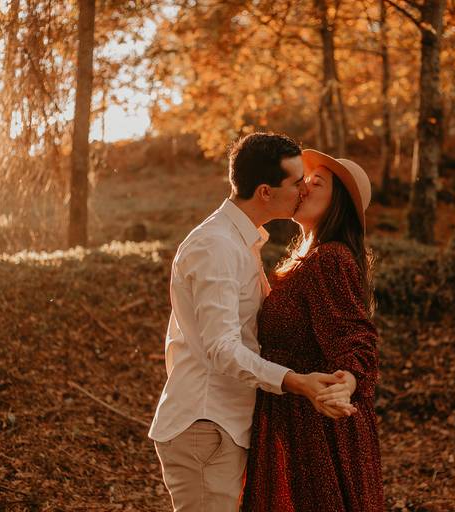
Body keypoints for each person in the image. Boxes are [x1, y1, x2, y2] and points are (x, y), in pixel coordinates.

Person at [148, 133, 357, 512]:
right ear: (265, 191)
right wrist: (296, 382)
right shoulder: (216, 246)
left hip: (224, 425)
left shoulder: (242, 242)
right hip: (206, 424)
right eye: (296, 182)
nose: (303, 190)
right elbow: (222, 349)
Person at [242, 149, 383, 511]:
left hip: (317, 428)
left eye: (316, 182)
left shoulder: (330, 260)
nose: (303, 187)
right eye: (304, 180)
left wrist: (348, 382)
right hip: (297, 418)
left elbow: (356, 336)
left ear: (340, 204)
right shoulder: (306, 260)